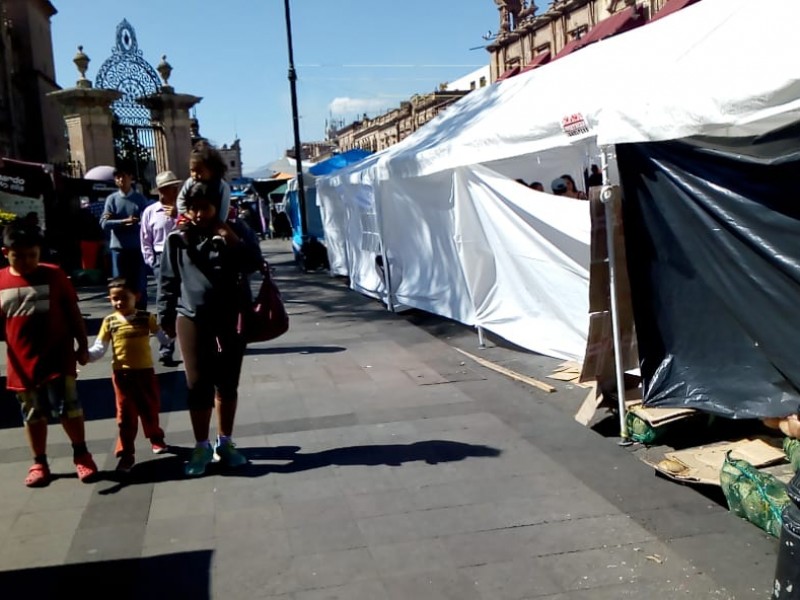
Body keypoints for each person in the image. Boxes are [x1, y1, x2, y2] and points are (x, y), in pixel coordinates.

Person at [158, 181, 263, 476]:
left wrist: (229, 236)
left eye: (205, 207)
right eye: (193, 208)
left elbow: (254, 262)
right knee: (197, 385)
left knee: (228, 383)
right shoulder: (178, 237)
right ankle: (201, 445)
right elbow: (167, 280)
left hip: (232, 317)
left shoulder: (236, 229)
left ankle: (225, 443)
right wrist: (164, 316)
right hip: (192, 317)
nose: (199, 214)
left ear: (217, 206)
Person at [0, 220, 97, 487]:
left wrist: (82, 345)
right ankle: (39, 461)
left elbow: (73, 313)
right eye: (18, 256)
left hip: (58, 358)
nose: (27, 261)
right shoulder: (1, 281)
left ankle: (82, 453)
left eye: (33, 255)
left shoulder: (54, 275)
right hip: (21, 364)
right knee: (32, 414)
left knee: (70, 409)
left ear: (40, 252)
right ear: (5, 253)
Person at [87, 277, 170, 472]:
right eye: (115, 299)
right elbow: (100, 348)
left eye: (124, 298)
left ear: (137, 297)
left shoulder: (146, 318)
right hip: (122, 376)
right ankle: (126, 453)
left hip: (145, 374)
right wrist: (86, 356)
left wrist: (172, 331)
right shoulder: (109, 322)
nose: (119, 302)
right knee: (125, 415)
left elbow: (163, 338)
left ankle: (156, 438)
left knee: (150, 408)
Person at [141, 170, 181, 364]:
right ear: (161, 191)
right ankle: (166, 346)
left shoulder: (183, 209)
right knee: (165, 304)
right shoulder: (150, 212)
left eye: (175, 188)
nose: (173, 191)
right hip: (160, 257)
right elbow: (145, 239)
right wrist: (152, 261)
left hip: (181, 256)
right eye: (169, 188)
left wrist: (177, 216)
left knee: (189, 301)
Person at [100, 164, 150, 309]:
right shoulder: (112, 200)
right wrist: (122, 222)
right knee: (120, 284)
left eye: (124, 176)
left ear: (131, 178)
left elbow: (146, 222)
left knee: (139, 284)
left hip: (136, 248)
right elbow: (104, 223)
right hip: (119, 249)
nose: (121, 179)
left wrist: (136, 222)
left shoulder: (140, 200)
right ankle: (123, 314)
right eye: (118, 177)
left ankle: (141, 315)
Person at [176, 141, 233, 228]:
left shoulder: (222, 186)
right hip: (191, 218)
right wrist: (186, 213)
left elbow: (223, 208)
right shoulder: (190, 182)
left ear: (212, 169)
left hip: (214, 223)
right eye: (192, 170)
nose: (195, 174)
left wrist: (219, 223)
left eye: (199, 171)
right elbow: (180, 199)